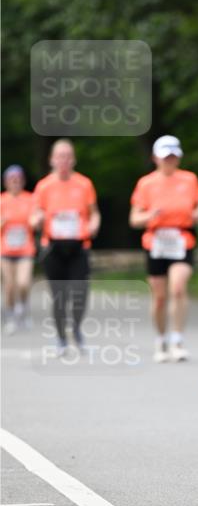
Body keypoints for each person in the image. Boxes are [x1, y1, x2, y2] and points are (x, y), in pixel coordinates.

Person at [130, 135, 198, 363]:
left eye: (173, 156)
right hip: (156, 242)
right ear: (155, 158)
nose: (169, 161)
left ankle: (177, 340)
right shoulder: (146, 183)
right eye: (165, 157)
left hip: (182, 240)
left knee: (178, 287)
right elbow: (134, 219)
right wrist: (149, 216)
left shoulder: (189, 180)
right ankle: (161, 339)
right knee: (160, 297)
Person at [31, 140, 100, 357]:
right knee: (59, 296)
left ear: (74, 160)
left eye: (68, 156)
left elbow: (94, 213)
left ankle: (76, 328)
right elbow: (34, 216)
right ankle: (61, 337)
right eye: (60, 156)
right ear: (52, 160)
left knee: (80, 293)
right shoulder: (44, 186)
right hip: (53, 247)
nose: (64, 160)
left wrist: (94, 224)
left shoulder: (84, 184)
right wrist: (37, 220)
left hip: (79, 246)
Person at [1, 165, 36, 333]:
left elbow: (36, 220)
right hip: (5, 250)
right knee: (9, 286)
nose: (15, 182)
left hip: (25, 249)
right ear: (6, 182)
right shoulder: (1, 200)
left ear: (23, 181)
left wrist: (35, 222)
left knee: (23, 283)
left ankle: (23, 307)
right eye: (11, 179)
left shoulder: (30, 199)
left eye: (18, 179)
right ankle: (10, 316)